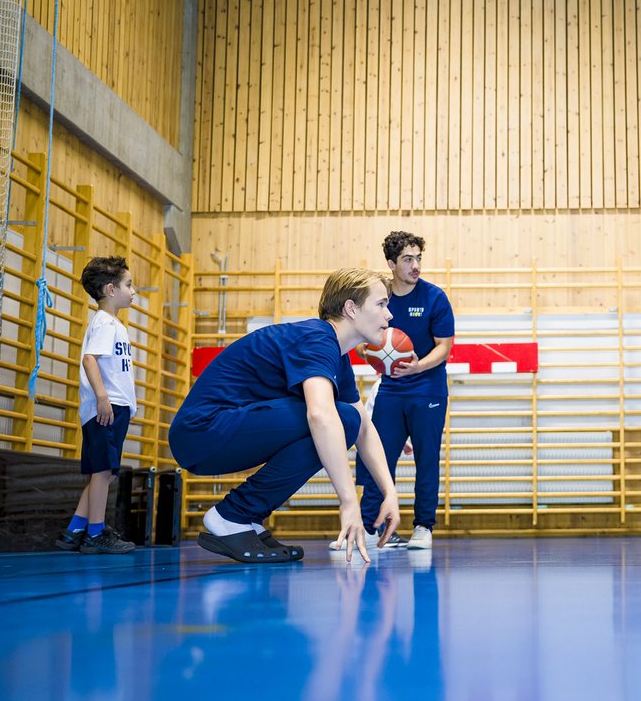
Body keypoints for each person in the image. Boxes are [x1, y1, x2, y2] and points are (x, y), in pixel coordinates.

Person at [168, 268, 401, 563]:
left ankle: (245, 516)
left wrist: (389, 492)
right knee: (339, 419)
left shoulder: (336, 356)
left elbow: (364, 429)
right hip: (201, 432)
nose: (389, 315)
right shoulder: (317, 339)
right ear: (351, 308)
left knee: (349, 420)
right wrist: (348, 501)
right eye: (381, 304)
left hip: (216, 434)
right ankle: (232, 514)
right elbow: (321, 416)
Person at [355, 231, 455, 551]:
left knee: (427, 459)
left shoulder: (434, 297)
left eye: (418, 258)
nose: (415, 266)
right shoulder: (379, 296)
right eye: (408, 260)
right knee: (378, 458)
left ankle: (423, 527)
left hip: (428, 388)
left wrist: (417, 366)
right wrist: (373, 354)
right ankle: (371, 527)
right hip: (391, 390)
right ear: (391, 264)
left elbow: (444, 348)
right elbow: (360, 342)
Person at [54, 256, 139, 554]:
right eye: (129, 285)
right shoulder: (105, 323)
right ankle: (95, 534)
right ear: (110, 290)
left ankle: (75, 530)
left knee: (103, 471)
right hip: (108, 407)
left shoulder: (112, 324)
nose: (133, 291)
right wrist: (103, 398)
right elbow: (91, 359)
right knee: (104, 471)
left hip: (116, 406)